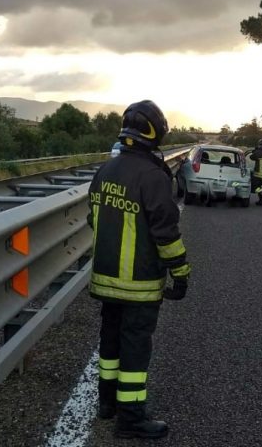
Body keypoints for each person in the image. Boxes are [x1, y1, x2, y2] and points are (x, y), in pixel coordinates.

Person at [87, 100, 191, 439]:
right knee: (134, 348)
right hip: (139, 284)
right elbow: (165, 233)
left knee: (111, 341)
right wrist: (180, 271)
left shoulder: (105, 171)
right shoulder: (153, 176)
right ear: (155, 133)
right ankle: (130, 419)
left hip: (104, 278)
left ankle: (107, 404)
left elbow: (94, 219)